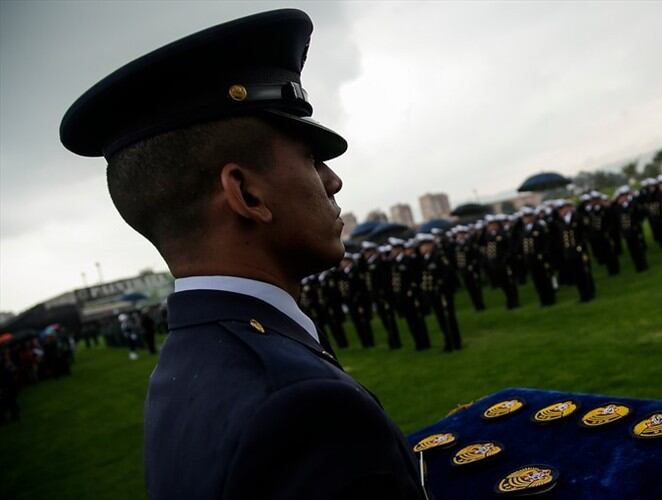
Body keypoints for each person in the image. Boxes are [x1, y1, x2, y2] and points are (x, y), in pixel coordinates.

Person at [60, 9, 425, 499]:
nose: (333, 181)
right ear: (246, 194)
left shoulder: (188, 358)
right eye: (311, 160)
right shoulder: (301, 405)